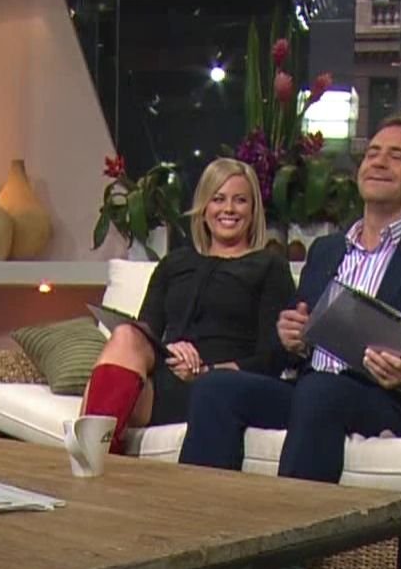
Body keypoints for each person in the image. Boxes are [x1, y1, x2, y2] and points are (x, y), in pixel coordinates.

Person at [177, 117, 401, 569]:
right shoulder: (327, 251)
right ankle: (199, 567)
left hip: (385, 398)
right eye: (373, 152)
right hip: (313, 390)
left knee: (322, 392)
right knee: (216, 389)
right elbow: (297, 338)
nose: (378, 161)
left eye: (397, 155)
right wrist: (292, 338)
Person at [76, 158, 296, 454]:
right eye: (218, 199)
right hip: (167, 378)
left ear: (253, 209)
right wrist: (171, 348)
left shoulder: (269, 266)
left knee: (112, 397)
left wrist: (208, 370)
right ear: (204, 207)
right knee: (126, 335)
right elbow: (147, 332)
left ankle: (90, 460)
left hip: (221, 388)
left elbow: (272, 357)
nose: (229, 209)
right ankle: (91, 457)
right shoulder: (175, 263)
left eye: (240, 200)